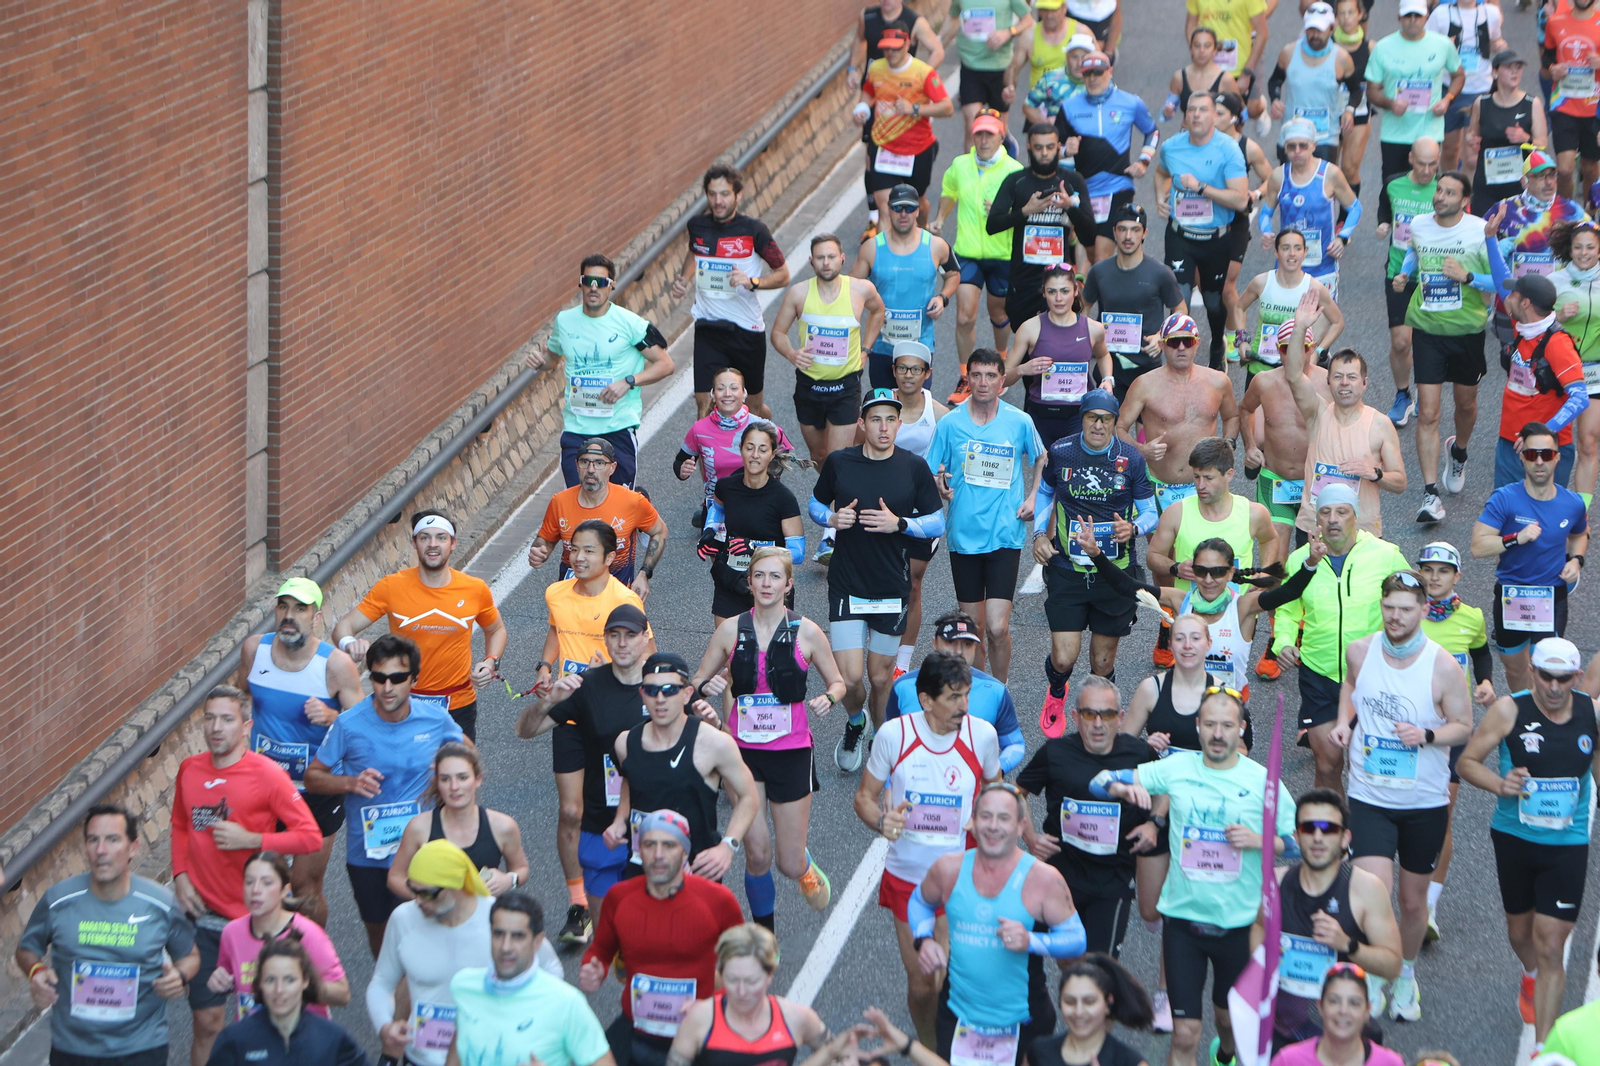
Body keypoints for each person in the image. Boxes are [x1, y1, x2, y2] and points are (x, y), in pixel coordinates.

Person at [1097, 688, 1297, 1066]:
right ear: (1198, 727)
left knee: (1228, 1022)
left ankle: (1224, 1054)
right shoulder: (1176, 768)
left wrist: (1260, 840)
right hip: (1184, 922)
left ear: (1241, 729)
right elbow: (1102, 778)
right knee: (1185, 1033)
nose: (1217, 734)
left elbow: (1303, 840)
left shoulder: (1261, 781)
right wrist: (1119, 787)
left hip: (1238, 925)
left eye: (1226, 725)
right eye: (1209, 725)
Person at [1329, 570, 1474, 1021]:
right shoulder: (1361, 650)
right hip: (1370, 794)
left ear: (1423, 611)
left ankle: (1405, 973)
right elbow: (1351, 685)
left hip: (1423, 801)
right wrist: (1343, 720)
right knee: (1372, 890)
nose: (1395, 617)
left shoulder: (1443, 666)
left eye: (1405, 609)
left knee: (1412, 902)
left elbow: (1464, 726)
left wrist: (1427, 734)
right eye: (1389, 607)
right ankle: (1374, 974)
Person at [689, 548, 847, 926]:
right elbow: (694, 682)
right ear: (749, 582)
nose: (766, 583)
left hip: (791, 752)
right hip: (740, 754)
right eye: (759, 576)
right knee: (756, 853)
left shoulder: (807, 631)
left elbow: (839, 682)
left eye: (775, 577)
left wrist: (828, 698)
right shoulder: (730, 630)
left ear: (789, 584)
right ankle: (764, 935)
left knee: (787, 861)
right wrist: (704, 690)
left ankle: (804, 867)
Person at [854, 651, 1004, 1045]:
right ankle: (928, 1047)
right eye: (953, 697)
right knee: (923, 985)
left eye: (966, 695)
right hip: (909, 880)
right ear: (926, 700)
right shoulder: (895, 735)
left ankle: (960, 1047)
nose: (963, 706)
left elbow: (997, 793)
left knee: (953, 977)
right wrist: (881, 821)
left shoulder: (981, 735)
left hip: (962, 879)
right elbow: (865, 798)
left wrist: (986, 818)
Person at [171, 686, 323, 1066]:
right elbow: (179, 824)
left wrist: (253, 838)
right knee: (206, 1023)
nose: (216, 727)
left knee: (262, 1022)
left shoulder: (267, 775)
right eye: (210, 718)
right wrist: (180, 873)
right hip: (203, 919)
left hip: (255, 922)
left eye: (227, 719)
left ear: (246, 726)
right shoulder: (190, 769)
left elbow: (309, 836)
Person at [1459, 637, 1599, 1043]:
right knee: (1521, 935)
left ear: (1576, 676)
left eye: (1564, 680)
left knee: (1551, 943)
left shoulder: (1591, 712)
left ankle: (1543, 1047)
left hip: (1568, 843)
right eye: (1546, 678)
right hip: (1515, 837)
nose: (1555, 689)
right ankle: (1530, 974)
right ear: (1532, 672)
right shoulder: (1509, 710)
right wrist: (1500, 784)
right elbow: (1468, 762)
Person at [304, 635, 466, 956]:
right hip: (368, 853)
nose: (387, 687)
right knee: (381, 934)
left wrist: (445, 783)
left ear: (414, 680)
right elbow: (313, 777)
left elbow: (470, 765)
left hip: (424, 848)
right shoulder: (349, 724)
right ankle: (389, 995)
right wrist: (350, 784)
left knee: (424, 930)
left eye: (397, 678)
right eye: (378, 678)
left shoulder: (435, 719)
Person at [808, 389, 944, 766]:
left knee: (881, 680)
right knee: (851, 679)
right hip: (848, 584)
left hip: (891, 588)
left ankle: (882, 744)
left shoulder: (914, 467)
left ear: (899, 424)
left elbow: (937, 521)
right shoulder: (840, 462)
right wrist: (831, 519)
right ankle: (856, 722)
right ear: (862, 424)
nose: (883, 428)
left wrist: (900, 523)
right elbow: (816, 503)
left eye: (890, 420)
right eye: (875, 419)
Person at [535, 523, 654, 939]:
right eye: (573, 550)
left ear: (610, 558)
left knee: (620, 803)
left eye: (588, 551)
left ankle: (633, 881)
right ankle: (578, 903)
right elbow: (557, 630)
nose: (579, 557)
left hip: (615, 712)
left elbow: (649, 655)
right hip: (572, 712)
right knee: (571, 811)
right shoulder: (556, 593)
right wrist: (546, 668)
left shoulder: (625, 600)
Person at [912, 784, 1085, 1066]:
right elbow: (920, 901)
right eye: (986, 817)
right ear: (972, 821)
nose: (993, 826)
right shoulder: (948, 869)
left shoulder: (1043, 879)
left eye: (1003, 818)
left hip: (1023, 1022)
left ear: (1020, 827)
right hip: (958, 1017)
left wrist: (1031, 941)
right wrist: (924, 938)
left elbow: (1077, 938)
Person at [18, 805, 198, 1066]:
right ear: (86, 847)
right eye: (93, 840)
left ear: (133, 848)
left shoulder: (160, 903)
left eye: (112, 840)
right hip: (73, 1049)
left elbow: (190, 956)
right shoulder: (59, 899)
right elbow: (26, 949)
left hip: (142, 1048)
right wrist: (35, 971)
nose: (101, 850)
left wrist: (179, 976)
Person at [236, 578, 363, 928]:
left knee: (305, 890)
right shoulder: (253, 651)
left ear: (317, 617)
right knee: (262, 886)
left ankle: (312, 962)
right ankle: (265, 962)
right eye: (283, 607)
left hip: (316, 791)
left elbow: (364, 729)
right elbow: (241, 701)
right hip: (264, 790)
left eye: (300, 609)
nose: (289, 616)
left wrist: (333, 717)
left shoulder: (335, 665)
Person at [370, 841, 563, 1066]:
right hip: (421, 1059)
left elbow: (551, 971)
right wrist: (385, 1026)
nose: (418, 901)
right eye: (414, 891)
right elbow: (382, 982)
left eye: (428, 894)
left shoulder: (499, 920)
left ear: (458, 884)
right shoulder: (403, 919)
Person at [1031, 388, 1157, 729]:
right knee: (1063, 656)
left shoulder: (1131, 459)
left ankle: (1098, 715)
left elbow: (1150, 512)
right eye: (1092, 418)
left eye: (1106, 420)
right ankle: (1057, 690)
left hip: (1113, 573)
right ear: (1082, 419)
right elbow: (1045, 492)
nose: (1098, 426)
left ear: (1116, 423)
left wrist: (1133, 528)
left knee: (1102, 662)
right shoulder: (1061, 452)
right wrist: (1039, 534)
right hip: (1067, 569)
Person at [1271, 485, 1409, 792]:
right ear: (1316, 519)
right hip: (1319, 675)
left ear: (1356, 517)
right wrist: (1283, 643)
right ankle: (1332, 835)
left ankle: (1369, 831)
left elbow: (1411, 604)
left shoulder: (1386, 556)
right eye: (1326, 512)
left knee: (1372, 766)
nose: (1333, 519)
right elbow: (1289, 611)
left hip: (1372, 675)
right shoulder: (1300, 561)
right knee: (1328, 763)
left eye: (1342, 512)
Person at [581, 811, 747, 1066]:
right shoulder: (619, 897)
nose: (658, 854)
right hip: (636, 1031)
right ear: (640, 851)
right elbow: (600, 952)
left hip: (700, 1033)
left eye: (669, 845)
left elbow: (746, 967)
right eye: (649, 844)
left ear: (684, 853)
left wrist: (713, 1005)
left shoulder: (717, 900)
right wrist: (593, 969)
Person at [925, 349, 1046, 683]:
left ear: (1002, 381)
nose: (982, 382)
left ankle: (1000, 689)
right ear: (968, 380)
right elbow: (930, 469)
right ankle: (977, 693)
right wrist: (939, 483)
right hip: (963, 536)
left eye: (990, 376)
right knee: (973, 628)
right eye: (976, 375)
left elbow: (1042, 458)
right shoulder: (950, 424)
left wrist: (1034, 496)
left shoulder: (1019, 421)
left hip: (1005, 534)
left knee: (997, 626)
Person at [1018, 678, 1160, 959]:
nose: (1098, 723)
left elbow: (1165, 789)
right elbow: (1016, 793)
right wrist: (1030, 837)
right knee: (1066, 962)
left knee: (1098, 970)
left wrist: (1154, 823)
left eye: (1107, 714)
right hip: (1059, 876)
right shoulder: (1055, 753)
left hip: (1112, 881)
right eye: (1089, 714)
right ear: (1075, 717)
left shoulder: (1140, 753)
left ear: (1120, 718)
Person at [333, 510, 505, 741]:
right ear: (414, 542)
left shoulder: (474, 589)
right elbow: (343, 626)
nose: (433, 545)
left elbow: (495, 630)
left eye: (441, 538)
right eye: (424, 537)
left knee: (455, 775)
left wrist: (490, 661)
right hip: (401, 702)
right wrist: (349, 643)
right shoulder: (391, 586)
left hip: (457, 704)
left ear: (453, 544)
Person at [1254, 791, 1403, 1051]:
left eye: (1329, 829)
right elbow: (1257, 931)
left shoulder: (1366, 890)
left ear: (1345, 838)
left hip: (1344, 1037)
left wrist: (1347, 944)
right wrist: (1262, 963)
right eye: (1308, 828)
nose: (1318, 837)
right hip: (1283, 1039)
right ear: (1297, 836)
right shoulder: (1275, 884)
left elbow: (1392, 966)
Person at [526, 252, 674, 488]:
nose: (594, 287)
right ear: (580, 284)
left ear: (611, 286)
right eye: (588, 281)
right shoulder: (565, 321)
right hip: (577, 430)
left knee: (618, 512)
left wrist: (629, 381)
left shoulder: (630, 323)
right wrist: (539, 362)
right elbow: (552, 359)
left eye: (601, 282)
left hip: (617, 429)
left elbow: (666, 364)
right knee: (580, 510)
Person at [611, 652, 760, 878]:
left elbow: (749, 796)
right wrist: (620, 821)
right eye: (651, 690)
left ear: (687, 694)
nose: (660, 698)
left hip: (698, 873)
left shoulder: (714, 743)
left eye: (670, 690)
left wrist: (728, 846)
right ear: (642, 694)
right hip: (642, 871)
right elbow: (628, 779)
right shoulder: (625, 743)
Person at [1413, 541, 1496, 942]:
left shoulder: (1472, 617)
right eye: (1428, 569)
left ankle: (1428, 905)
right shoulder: (1408, 614)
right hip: (1408, 730)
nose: (1434, 577)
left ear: (1457, 576)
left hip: (1454, 729)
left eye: (1442, 571)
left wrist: (1484, 682)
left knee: (1441, 816)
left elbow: (1481, 653)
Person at [1470, 421, 1590, 693]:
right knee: (1514, 668)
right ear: (1522, 457)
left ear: (1557, 458)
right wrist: (1515, 538)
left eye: (1546, 455)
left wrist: (1576, 560)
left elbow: (1580, 533)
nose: (1539, 461)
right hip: (1511, 595)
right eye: (1531, 454)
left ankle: (1542, 721)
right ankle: (1523, 715)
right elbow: (1478, 546)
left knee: (1548, 666)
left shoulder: (1572, 503)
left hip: (1551, 597)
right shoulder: (1504, 499)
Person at [670, 164, 789, 421]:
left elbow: (783, 274)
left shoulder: (754, 231)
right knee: (704, 405)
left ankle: (769, 432)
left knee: (752, 410)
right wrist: (684, 279)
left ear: (738, 194)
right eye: (712, 194)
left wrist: (752, 281)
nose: (718, 201)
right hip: (708, 327)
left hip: (746, 330)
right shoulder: (698, 225)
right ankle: (712, 461)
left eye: (724, 194)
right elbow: (695, 252)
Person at [1280, 294, 1406, 533]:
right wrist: (1300, 327)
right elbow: (1294, 374)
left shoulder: (1380, 425)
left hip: (1362, 533)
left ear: (1365, 383)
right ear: (1328, 382)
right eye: (1337, 377)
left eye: (1351, 377)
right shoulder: (1316, 413)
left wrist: (1375, 473)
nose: (1344, 383)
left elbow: (1400, 482)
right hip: (1316, 530)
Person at [447, 891, 615, 1066]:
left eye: (518, 936)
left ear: (537, 942)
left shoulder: (566, 1003)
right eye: (498, 934)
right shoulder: (464, 986)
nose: (506, 947)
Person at [772, 233, 887, 486]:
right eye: (821, 257)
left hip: (844, 387)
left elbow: (879, 310)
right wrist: (792, 354)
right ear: (811, 261)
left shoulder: (860, 289)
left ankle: (838, 510)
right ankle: (837, 490)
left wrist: (866, 349)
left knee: (838, 458)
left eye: (831, 257)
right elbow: (777, 333)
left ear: (842, 259)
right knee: (819, 455)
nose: (826, 263)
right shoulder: (798, 293)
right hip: (809, 387)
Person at [1155, 92, 1251, 369]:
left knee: (1213, 304)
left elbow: (1240, 199)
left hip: (1215, 239)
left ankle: (1218, 343)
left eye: (1203, 110)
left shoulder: (1228, 149)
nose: (1196, 115)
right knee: (1178, 301)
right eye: (1192, 110)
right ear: (1185, 116)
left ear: (1213, 116)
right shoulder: (1171, 147)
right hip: (1180, 236)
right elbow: (1161, 173)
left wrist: (1200, 187)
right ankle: (1180, 362)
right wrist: (1160, 197)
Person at [934, 113, 1025, 399]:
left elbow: (1024, 212)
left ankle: (1000, 366)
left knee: (999, 313)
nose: (984, 140)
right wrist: (940, 217)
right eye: (979, 134)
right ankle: (965, 376)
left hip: (1002, 255)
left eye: (990, 134)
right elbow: (949, 190)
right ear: (973, 137)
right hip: (968, 252)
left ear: (1001, 136)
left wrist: (1003, 213)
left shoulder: (1014, 169)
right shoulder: (960, 165)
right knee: (964, 317)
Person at [1115, 313, 1240, 519]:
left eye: (1187, 341)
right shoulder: (1144, 384)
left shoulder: (1218, 382)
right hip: (1159, 486)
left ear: (1197, 344)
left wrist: (1228, 444)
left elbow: (1232, 416)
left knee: (1204, 550)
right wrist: (1142, 449)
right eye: (1174, 342)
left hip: (1204, 485)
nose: (1181, 347)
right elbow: (1119, 427)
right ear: (1163, 345)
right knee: (1162, 550)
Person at [206, 851, 348, 1020]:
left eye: (267, 883)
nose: (256, 890)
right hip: (253, 1037)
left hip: (300, 1038)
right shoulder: (232, 933)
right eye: (249, 882)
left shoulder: (308, 933)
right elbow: (230, 975)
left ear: (284, 890)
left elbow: (342, 993)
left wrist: (297, 985)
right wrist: (219, 980)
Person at [666, 923, 834, 1066]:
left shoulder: (797, 1018)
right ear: (720, 974)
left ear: (770, 976)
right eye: (732, 980)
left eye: (751, 981)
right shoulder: (699, 1019)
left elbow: (842, 1056)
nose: (741, 991)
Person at [1241, 316, 1334, 567]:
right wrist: (1249, 445)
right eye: (1285, 347)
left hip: (1314, 482)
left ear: (1312, 348)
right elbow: (1245, 409)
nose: (1293, 354)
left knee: (1314, 558)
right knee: (1275, 561)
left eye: (1302, 347)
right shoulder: (1264, 381)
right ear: (1277, 349)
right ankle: (1275, 608)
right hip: (1275, 480)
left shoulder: (1328, 383)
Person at [1488, 270, 1593, 490]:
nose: (1508, 297)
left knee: (1542, 519)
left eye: (1514, 294)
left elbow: (1580, 398)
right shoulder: (1526, 326)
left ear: (1525, 303)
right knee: (1506, 516)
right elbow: (1501, 282)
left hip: (1544, 450)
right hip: (1510, 441)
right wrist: (1490, 238)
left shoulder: (1558, 344)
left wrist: (1543, 432)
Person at [886, 611, 1026, 774]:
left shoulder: (996, 691)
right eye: (951, 642)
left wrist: (996, 770)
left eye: (967, 644)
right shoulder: (903, 686)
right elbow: (888, 740)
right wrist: (891, 785)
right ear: (934, 643)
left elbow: (1014, 744)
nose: (959, 651)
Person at [987, 123, 1096, 331]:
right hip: (1023, 284)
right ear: (1028, 147)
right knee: (1028, 351)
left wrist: (1070, 208)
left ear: (1058, 147)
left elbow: (1090, 235)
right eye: (1038, 148)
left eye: (1049, 147)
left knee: (1058, 349)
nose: (1044, 153)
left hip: (1059, 284)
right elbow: (992, 225)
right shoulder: (1016, 181)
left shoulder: (1072, 181)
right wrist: (1025, 211)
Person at [387, 743, 530, 900]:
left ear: (478, 779)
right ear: (437, 783)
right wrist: (427, 900)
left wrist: (509, 880)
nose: (454, 787)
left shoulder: (502, 826)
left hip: (483, 920)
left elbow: (521, 868)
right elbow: (395, 877)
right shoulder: (419, 828)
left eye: (462, 778)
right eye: (445, 779)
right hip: (434, 919)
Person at [527, 440, 669, 598]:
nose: (591, 470)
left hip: (617, 601)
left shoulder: (632, 502)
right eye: (584, 462)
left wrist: (644, 574)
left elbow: (660, 532)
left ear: (612, 468)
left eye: (599, 463)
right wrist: (539, 552)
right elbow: (545, 541)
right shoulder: (560, 502)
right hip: (572, 599)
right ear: (576, 465)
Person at [1054, 51, 1159, 262]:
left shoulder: (1131, 103)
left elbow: (1152, 132)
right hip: (1084, 190)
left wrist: (1144, 160)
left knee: (1102, 254)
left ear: (1110, 72)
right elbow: (1050, 148)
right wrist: (1065, 150)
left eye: (1098, 73)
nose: (1092, 79)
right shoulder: (1069, 107)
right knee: (1092, 253)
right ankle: (1106, 292)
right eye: (1087, 74)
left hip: (1117, 186)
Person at [699, 420, 806, 625]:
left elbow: (798, 554)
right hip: (731, 582)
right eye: (750, 448)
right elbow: (717, 510)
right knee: (728, 652)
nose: (755, 455)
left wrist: (755, 548)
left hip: (770, 586)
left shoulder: (783, 498)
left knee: (768, 655)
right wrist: (710, 532)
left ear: (772, 454)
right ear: (741, 450)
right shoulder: (726, 487)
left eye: (762, 449)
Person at [855, 182, 959, 391]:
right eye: (898, 208)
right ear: (888, 210)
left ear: (918, 211)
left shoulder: (936, 246)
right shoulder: (872, 248)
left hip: (920, 346)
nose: (904, 214)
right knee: (884, 408)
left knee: (916, 409)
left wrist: (942, 298)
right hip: (882, 347)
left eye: (909, 208)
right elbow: (851, 290)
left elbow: (953, 274)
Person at [884, 341, 950, 671]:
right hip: (881, 508)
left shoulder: (939, 414)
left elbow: (953, 462)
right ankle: (880, 649)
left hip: (922, 511)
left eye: (915, 370)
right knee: (881, 580)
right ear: (893, 371)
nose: (908, 376)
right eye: (902, 368)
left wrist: (945, 480)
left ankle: (902, 663)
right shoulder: (880, 409)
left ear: (927, 374)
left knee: (911, 583)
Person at [1082, 205, 1189, 402]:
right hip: (1108, 364)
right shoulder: (1099, 272)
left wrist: (1161, 337)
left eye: (1135, 230)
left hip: (1146, 365)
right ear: (1114, 232)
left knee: (1146, 430)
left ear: (1144, 233)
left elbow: (1180, 309)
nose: (1128, 236)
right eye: (1122, 229)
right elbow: (1083, 309)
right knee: (1106, 426)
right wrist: (1085, 340)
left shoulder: (1160, 273)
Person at [203, 938, 367, 1066]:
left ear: (305, 981)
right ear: (259, 984)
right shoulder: (234, 1039)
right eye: (270, 980)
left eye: (289, 980)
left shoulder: (332, 1038)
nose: (279, 990)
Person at [1364, 0, 1464, 208]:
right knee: (1394, 192)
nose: (1412, 21)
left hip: (1429, 130)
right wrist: (1390, 104)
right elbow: (1371, 91)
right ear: (1399, 18)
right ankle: (1395, 235)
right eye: (1408, 16)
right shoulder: (1383, 47)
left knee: (1428, 195)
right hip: (1395, 134)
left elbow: (1458, 75)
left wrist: (1447, 99)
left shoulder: (1443, 44)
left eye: (1417, 16)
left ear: (1426, 17)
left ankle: (1429, 237)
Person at [1488, 151, 1590, 351]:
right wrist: (1492, 246)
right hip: (1513, 304)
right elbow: (1475, 246)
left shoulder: (1571, 210)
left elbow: (1594, 243)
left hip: (1556, 304)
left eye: (1552, 175)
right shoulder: (1503, 209)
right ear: (1525, 181)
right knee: (1515, 367)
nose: (1549, 182)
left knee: (1551, 367)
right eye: (1541, 176)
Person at [855, 27, 956, 223]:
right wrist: (862, 107)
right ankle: (885, 254)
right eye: (886, 49)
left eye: (895, 48)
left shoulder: (923, 72)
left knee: (916, 204)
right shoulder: (876, 68)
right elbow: (868, 90)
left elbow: (947, 108)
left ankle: (923, 232)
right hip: (884, 147)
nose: (890, 53)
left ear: (907, 45)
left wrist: (914, 109)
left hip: (917, 150)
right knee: (885, 208)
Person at [1005, 266, 1113, 449]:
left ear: (1076, 291)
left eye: (1065, 291)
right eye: (1052, 292)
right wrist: (1023, 369)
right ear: (1044, 293)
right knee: (1046, 471)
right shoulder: (1030, 328)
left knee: (1073, 470)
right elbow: (1003, 378)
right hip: (1042, 413)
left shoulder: (1093, 328)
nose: (1059, 298)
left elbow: (1103, 355)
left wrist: (1108, 379)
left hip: (1079, 414)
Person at [1375, 137, 1441, 430]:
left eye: (1433, 165)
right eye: (1422, 163)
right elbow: (1384, 208)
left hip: (1433, 276)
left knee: (1428, 341)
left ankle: (1429, 396)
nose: (1427, 171)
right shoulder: (1393, 183)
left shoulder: (1444, 189)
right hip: (1398, 274)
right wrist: (1384, 223)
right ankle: (1403, 395)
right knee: (1401, 341)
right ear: (1411, 158)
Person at [676, 367, 794, 530]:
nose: (727, 394)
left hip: (757, 504)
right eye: (721, 388)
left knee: (755, 554)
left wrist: (770, 482)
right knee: (720, 556)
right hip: (717, 507)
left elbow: (783, 453)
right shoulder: (699, 430)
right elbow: (680, 461)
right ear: (713, 394)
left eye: (733, 388)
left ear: (744, 394)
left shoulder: (764, 427)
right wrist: (682, 471)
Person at [1259, 122, 1362, 300]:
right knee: (1288, 324)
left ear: (1313, 146)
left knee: (1323, 322)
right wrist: (1266, 231)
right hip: (1287, 266)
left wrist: (1342, 237)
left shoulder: (1330, 174)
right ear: (1285, 148)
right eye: (1292, 146)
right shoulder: (1278, 176)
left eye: (1303, 145)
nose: (1297, 150)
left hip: (1323, 267)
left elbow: (1355, 208)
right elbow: (1265, 213)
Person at [1236, 229, 1344, 387]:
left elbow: (1338, 322)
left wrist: (1318, 352)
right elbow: (1238, 307)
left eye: (1298, 248)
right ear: (1276, 252)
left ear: (1305, 252)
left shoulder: (1314, 287)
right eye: (1285, 248)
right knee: (1252, 412)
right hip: (1260, 368)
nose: (1292, 253)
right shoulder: (1262, 282)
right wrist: (1242, 340)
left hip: (1296, 371)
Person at [1267, 5, 1360, 166]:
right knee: (1289, 186)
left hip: (1325, 137)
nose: (1315, 35)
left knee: (1322, 187)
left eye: (1321, 30)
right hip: (1292, 134)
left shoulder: (1341, 58)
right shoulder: (1288, 53)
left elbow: (1356, 90)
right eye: (1311, 29)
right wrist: (1275, 99)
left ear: (1331, 29)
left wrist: (1350, 111)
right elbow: (1275, 80)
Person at [1028, 955, 1156, 1066]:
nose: (1079, 1012)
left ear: (1108, 1003)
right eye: (1070, 1001)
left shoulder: (1128, 1061)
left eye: (1089, 1002)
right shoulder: (1039, 1052)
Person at [1268, 965, 1407, 1066]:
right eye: (1334, 1001)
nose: (1343, 1010)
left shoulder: (1390, 1063)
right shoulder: (1288, 1061)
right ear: (1320, 1006)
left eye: (1354, 1003)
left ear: (1367, 1010)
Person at [1552, 219, 1600, 506]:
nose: (1584, 253)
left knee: (1588, 441)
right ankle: (1549, 506)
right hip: (1559, 370)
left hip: (1595, 370)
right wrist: (1559, 317)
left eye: (1590, 247)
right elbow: (1531, 324)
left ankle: (1581, 510)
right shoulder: (1554, 281)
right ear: (1569, 250)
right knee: (1553, 441)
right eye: (1578, 247)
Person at [1424, 0, 1504, 171]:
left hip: (1480, 89)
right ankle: (1448, 189)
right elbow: (1426, 47)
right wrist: (1443, 47)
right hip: (1450, 89)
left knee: (1473, 154)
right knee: (1449, 150)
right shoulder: (1440, 14)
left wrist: (1499, 46)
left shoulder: (1491, 13)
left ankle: (1471, 196)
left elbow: (1496, 40)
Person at [1467, 51, 1548, 215]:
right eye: (1509, 68)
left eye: (1518, 68)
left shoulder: (1532, 104)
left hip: (1519, 185)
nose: (1515, 72)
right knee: (1484, 231)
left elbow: (1542, 146)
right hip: (1487, 184)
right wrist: (1471, 140)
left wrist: (1525, 138)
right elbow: (1471, 136)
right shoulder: (1481, 103)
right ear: (1495, 72)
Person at [950, 0, 1034, 151]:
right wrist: (937, 44)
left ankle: (1002, 156)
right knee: (972, 126)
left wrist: (1009, 32)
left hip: (1000, 68)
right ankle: (972, 172)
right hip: (971, 66)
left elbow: (1028, 20)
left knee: (998, 129)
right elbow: (952, 17)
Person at [1541, 0, 1600, 200]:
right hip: (1563, 105)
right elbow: (1546, 61)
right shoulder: (1555, 21)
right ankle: (1566, 217)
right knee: (1564, 170)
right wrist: (1552, 69)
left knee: (1590, 168)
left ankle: (1589, 218)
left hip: (1594, 108)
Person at [1334, 0, 1374, 202]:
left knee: (1349, 169)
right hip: (1330, 113)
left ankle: (1345, 222)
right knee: (1327, 169)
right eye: (1341, 13)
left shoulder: (1370, 47)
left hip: (1358, 113)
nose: (1346, 17)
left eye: (1351, 12)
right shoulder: (1327, 45)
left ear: (1360, 15)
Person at [1186, 0, 1270, 90]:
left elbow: (1262, 33)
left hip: (1237, 70)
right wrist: (1196, 53)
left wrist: (1247, 72)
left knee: (1246, 103)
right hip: (1206, 69)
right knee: (1202, 103)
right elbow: (1191, 25)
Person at [1009, 0, 1085, 97]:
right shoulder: (1030, 35)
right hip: (1039, 103)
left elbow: (1100, 67)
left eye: (1053, 10)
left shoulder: (1080, 32)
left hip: (1073, 102)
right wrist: (1010, 88)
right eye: (1044, 10)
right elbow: (1014, 68)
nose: (1049, 15)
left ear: (1064, 8)